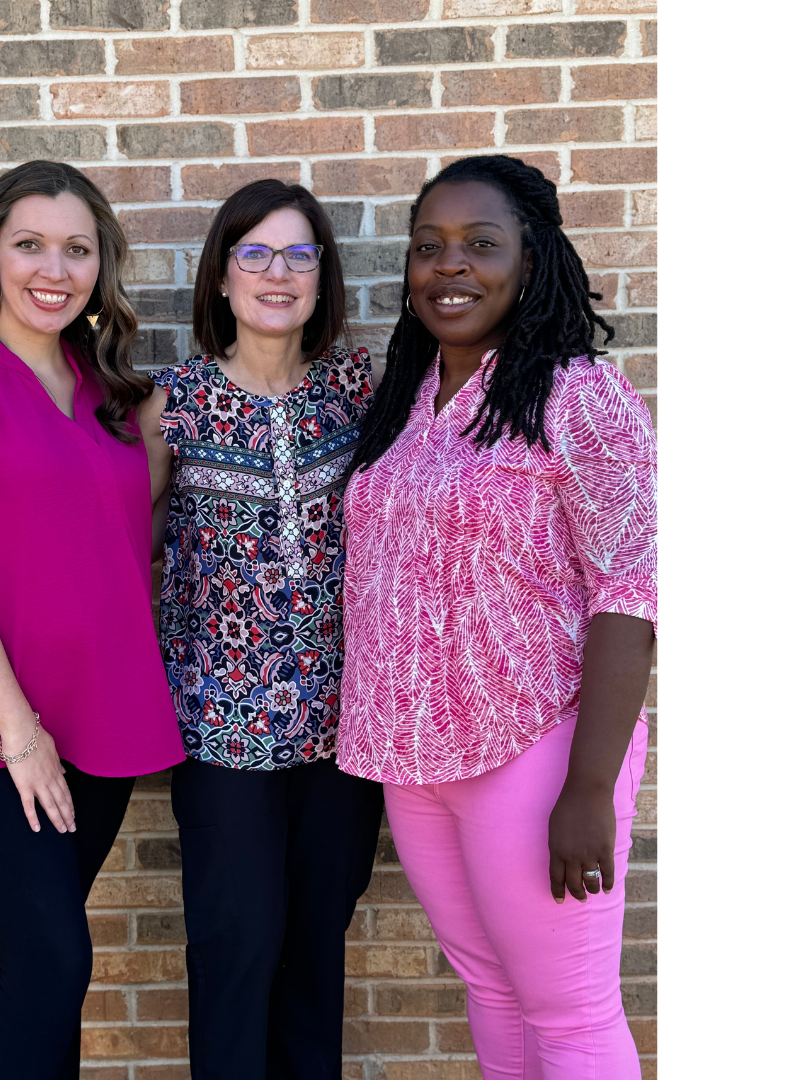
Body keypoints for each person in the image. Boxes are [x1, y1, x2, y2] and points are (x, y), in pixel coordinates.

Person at [338, 155, 657, 1080]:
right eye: (428, 247)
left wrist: (590, 788)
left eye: (482, 244)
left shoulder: (578, 396)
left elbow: (632, 592)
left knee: (569, 1014)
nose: (451, 267)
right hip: (417, 758)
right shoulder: (403, 405)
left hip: (538, 747)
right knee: (492, 987)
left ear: (533, 259)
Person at [0, 160, 185, 1080]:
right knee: (54, 959)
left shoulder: (111, 394)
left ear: (102, 267)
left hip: (93, 717)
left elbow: (126, 542)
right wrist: (19, 732)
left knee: (49, 968)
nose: (55, 268)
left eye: (78, 249)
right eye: (31, 244)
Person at [139, 179, 386, 1079]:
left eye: (299, 254)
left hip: (343, 732)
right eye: (254, 253)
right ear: (220, 276)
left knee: (319, 949)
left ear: (323, 275)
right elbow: (124, 556)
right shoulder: (173, 406)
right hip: (218, 732)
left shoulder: (362, 392)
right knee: (237, 950)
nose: (276, 273)